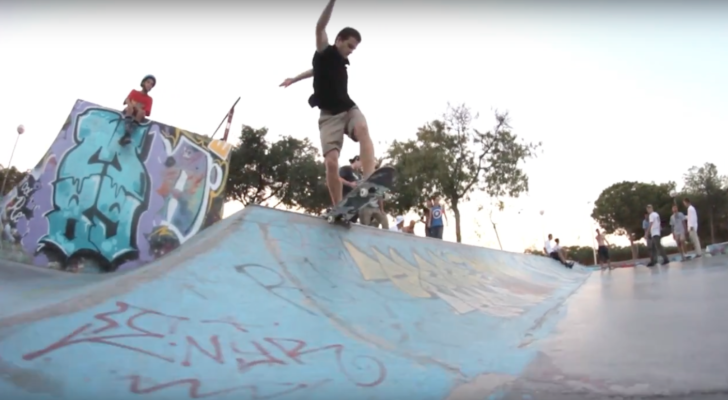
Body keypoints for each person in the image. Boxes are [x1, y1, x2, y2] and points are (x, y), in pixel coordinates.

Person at [279, 0, 375, 209]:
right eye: (349, 46)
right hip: (329, 116)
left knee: (363, 129)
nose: (351, 51)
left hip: (348, 109)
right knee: (331, 162)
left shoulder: (339, 62)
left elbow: (313, 72)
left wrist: (294, 78)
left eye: (354, 48)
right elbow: (320, 27)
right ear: (338, 40)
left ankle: (369, 180)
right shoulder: (325, 51)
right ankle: (338, 206)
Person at [120, 75, 155, 145]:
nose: (149, 85)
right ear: (143, 83)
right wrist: (131, 104)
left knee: (141, 112)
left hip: (137, 116)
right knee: (130, 108)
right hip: (129, 112)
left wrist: (135, 105)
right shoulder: (134, 92)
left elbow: (147, 112)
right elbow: (126, 100)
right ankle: (128, 132)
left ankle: (128, 133)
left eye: (152, 84)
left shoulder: (149, 99)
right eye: (148, 82)